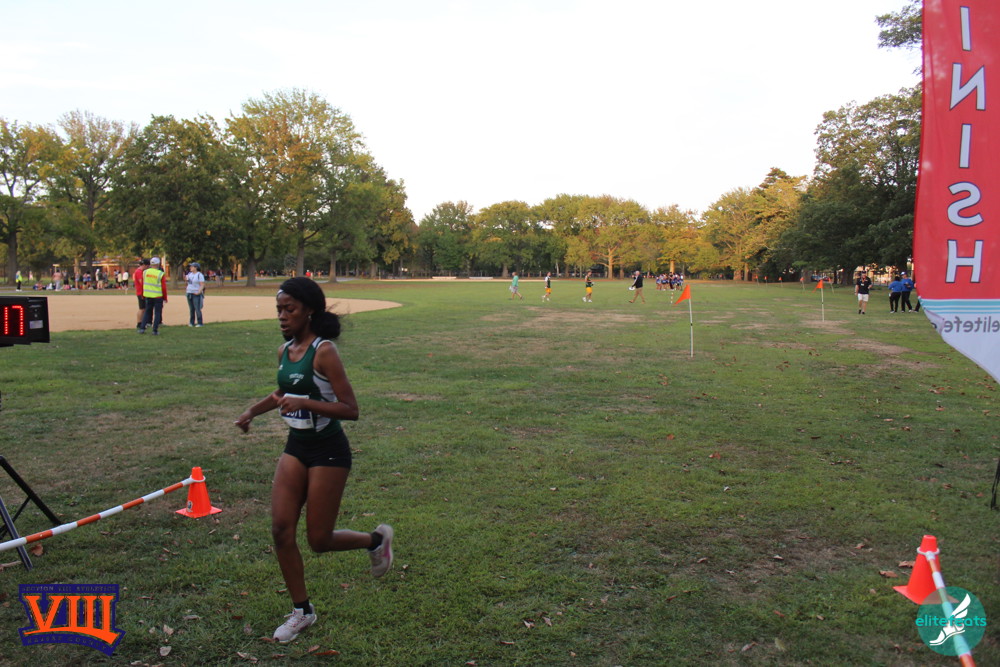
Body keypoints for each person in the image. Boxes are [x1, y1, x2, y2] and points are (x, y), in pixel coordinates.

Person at [234, 277, 393, 644]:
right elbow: (283, 391)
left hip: (329, 450)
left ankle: (375, 540)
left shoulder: (324, 352)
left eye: (289, 309)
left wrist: (305, 403)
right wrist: (252, 411)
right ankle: (302, 611)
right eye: (279, 309)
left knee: (319, 540)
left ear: (308, 311)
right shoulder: (284, 350)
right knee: (280, 530)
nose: (282, 316)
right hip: (297, 447)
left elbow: (350, 409)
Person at [138, 257, 168, 335]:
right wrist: (165, 297)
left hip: (148, 295)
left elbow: (142, 284)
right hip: (158, 296)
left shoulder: (145, 272)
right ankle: (155, 330)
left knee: (147, 312)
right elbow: (163, 287)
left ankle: (142, 328)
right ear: (158, 264)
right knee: (157, 313)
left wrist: (142, 294)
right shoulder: (160, 273)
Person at [186, 262, 206, 327]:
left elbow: (202, 285)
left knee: (197, 308)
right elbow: (188, 282)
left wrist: (199, 292)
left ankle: (200, 322)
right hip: (189, 292)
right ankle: (191, 322)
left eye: (192, 266)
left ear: (196, 267)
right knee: (191, 309)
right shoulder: (189, 274)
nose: (190, 268)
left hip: (196, 293)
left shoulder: (199, 275)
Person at [133, 258, 149, 332]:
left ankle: (142, 322)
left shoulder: (140, 271)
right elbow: (141, 282)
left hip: (142, 292)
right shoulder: (139, 272)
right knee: (142, 309)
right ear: (144, 265)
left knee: (144, 308)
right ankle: (139, 323)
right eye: (147, 266)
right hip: (141, 292)